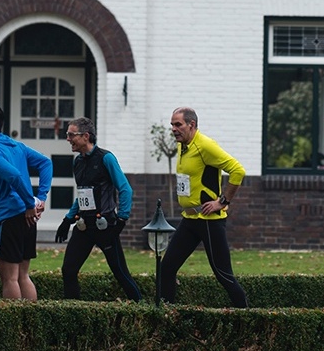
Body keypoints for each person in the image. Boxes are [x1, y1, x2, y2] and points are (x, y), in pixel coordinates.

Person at [157, 106, 248, 307]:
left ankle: (248, 316)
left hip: (208, 221)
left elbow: (238, 171)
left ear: (192, 125)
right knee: (167, 268)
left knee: (223, 274)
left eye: (178, 124)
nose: (173, 129)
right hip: (189, 219)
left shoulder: (205, 145)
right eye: (172, 125)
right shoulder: (183, 145)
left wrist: (222, 202)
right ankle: (165, 315)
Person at [55, 116, 141, 301]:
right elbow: (83, 194)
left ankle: (143, 309)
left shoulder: (106, 158)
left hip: (105, 227)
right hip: (84, 227)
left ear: (86, 136)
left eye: (71, 135)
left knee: (120, 273)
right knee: (68, 270)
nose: (68, 139)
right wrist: (67, 219)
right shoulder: (78, 162)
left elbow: (125, 189)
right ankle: (73, 311)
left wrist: (121, 220)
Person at [0, 103, 52, 300]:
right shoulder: (17, 146)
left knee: (9, 279)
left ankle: (13, 320)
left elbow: (14, 176)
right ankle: (30, 319)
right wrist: (40, 198)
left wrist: (30, 204)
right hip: (28, 218)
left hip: (9, 218)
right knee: (23, 276)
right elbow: (46, 162)